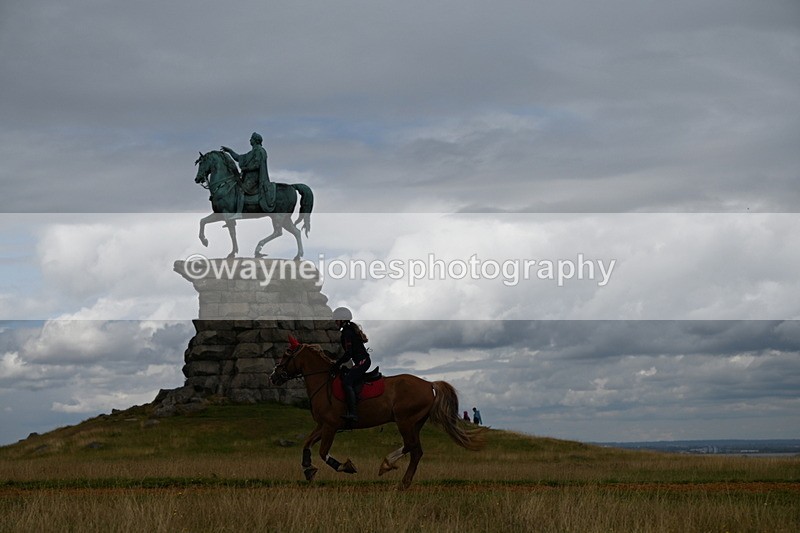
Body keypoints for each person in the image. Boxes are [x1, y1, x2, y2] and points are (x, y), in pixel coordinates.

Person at [332, 307, 371, 423]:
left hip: (363, 362)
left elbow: (348, 354)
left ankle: (353, 413)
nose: (335, 322)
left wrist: (337, 364)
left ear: (342, 320)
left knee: (347, 382)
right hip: (361, 361)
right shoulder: (348, 331)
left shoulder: (347, 333)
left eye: (336, 320)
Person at [221, 132, 275, 211]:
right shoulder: (252, 152)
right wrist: (230, 151)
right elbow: (239, 158)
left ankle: (238, 212)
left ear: (255, 140)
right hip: (249, 177)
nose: (250, 140)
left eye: (251, 139)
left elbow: (257, 165)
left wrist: (246, 169)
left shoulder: (259, 151)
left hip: (255, 178)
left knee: (240, 190)